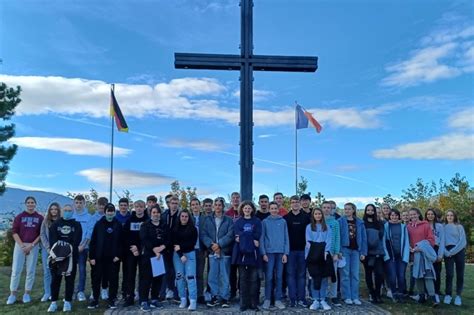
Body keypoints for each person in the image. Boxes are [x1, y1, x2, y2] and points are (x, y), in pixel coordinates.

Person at [7, 196, 44, 305]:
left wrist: (31, 245)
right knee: (16, 270)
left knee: (30, 270)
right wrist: (22, 246)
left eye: (32, 202)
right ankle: (12, 294)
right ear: (25, 204)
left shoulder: (40, 218)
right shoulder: (19, 217)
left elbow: (41, 234)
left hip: (33, 245)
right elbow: (14, 232)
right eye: (28, 202)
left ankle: (27, 294)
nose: (30, 204)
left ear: (35, 204)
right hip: (20, 245)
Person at [47, 204, 82, 313]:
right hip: (57, 257)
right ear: (62, 211)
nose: (67, 212)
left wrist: (67, 250)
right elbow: (53, 240)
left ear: (73, 212)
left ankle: (67, 301)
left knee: (70, 280)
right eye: (65, 210)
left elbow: (76, 241)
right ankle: (53, 302)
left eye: (70, 210)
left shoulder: (76, 225)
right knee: (55, 280)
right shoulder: (55, 224)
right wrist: (60, 252)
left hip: (71, 257)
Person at [200, 197, 234, 308]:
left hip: (224, 252)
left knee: (224, 275)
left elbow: (230, 235)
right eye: (216, 204)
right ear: (213, 206)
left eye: (220, 205)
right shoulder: (207, 219)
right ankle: (214, 296)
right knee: (212, 276)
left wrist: (220, 245)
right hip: (212, 251)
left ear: (223, 206)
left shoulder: (228, 220)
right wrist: (212, 245)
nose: (218, 207)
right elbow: (203, 234)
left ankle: (224, 298)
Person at [88, 203, 122, 309]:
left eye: (112, 211)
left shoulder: (118, 224)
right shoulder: (99, 224)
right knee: (96, 279)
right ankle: (95, 300)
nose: (110, 213)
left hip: (113, 259)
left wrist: (118, 255)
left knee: (113, 280)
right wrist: (92, 257)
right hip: (99, 258)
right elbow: (93, 241)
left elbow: (122, 242)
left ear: (114, 212)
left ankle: (112, 300)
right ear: (105, 212)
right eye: (108, 211)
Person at [232, 201, 262, 311]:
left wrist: (244, 237)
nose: (247, 210)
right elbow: (237, 234)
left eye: (249, 208)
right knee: (243, 279)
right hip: (241, 254)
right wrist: (249, 237)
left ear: (252, 209)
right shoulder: (238, 222)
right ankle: (243, 303)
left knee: (254, 280)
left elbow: (257, 234)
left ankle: (253, 303)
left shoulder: (257, 221)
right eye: (245, 208)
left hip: (254, 254)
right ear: (242, 209)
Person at [138, 205, 169, 311]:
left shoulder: (164, 225)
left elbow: (168, 239)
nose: (156, 214)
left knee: (158, 279)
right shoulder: (145, 225)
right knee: (146, 279)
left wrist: (162, 247)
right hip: (148, 255)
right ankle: (144, 301)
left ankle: (154, 299)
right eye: (154, 212)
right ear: (150, 213)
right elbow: (144, 238)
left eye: (157, 212)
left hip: (160, 255)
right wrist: (154, 249)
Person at [407, 207, 438, 307]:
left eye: (414, 214)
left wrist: (420, 248)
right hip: (414, 254)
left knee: (428, 276)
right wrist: (410, 248)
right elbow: (406, 240)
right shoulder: (408, 227)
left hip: (424, 254)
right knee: (418, 275)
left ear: (418, 214)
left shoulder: (425, 225)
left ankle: (433, 298)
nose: (413, 216)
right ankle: (421, 296)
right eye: (411, 215)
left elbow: (431, 239)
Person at [260, 201, 288, 310]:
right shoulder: (265, 222)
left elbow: (286, 238)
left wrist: (286, 253)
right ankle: (267, 299)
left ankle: (278, 299)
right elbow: (262, 238)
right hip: (269, 253)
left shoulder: (283, 221)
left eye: (275, 208)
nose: (274, 210)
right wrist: (263, 253)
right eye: (271, 208)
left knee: (280, 276)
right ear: (269, 209)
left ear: (278, 209)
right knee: (269, 276)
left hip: (280, 253)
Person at [284, 195, 310, 307]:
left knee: (302, 275)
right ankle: (292, 299)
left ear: (300, 204)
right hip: (290, 251)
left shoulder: (306, 217)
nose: (295, 204)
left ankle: (302, 298)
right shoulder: (285, 218)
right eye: (293, 202)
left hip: (303, 251)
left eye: (297, 202)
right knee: (290, 275)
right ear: (290, 203)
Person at [338, 202, 367, 305]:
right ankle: (347, 296)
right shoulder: (340, 221)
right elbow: (338, 237)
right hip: (345, 250)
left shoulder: (359, 222)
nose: (347, 211)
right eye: (345, 209)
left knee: (355, 274)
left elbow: (363, 238)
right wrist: (339, 251)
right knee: (345, 274)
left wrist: (363, 252)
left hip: (356, 250)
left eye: (349, 209)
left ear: (353, 210)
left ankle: (355, 296)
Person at [122, 200, 149, 306]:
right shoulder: (129, 221)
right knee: (130, 275)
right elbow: (125, 236)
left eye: (141, 206)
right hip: (131, 252)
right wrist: (132, 247)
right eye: (137, 206)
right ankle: (130, 297)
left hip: (143, 252)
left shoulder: (148, 221)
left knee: (144, 275)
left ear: (144, 207)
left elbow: (149, 237)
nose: (139, 208)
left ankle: (143, 298)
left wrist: (140, 248)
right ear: (134, 207)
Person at [306, 208, 333, 311]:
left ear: (322, 215)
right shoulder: (309, 227)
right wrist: (315, 251)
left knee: (324, 278)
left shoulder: (327, 227)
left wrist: (326, 251)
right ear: (313, 215)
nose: (318, 215)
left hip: (324, 255)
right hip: (313, 255)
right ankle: (315, 300)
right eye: (316, 214)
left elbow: (328, 240)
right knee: (314, 278)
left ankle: (322, 299)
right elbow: (308, 242)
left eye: (319, 214)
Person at [171, 210, 199, 310]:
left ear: (189, 218)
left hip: (190, 254)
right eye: (182, 216)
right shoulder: (175, 229)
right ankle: (183, 298)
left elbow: (192, 243)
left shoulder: (193, 229)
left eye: (186, 216)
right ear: (179, 217)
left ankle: (192, 300)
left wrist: (181, 247)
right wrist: (180, 254)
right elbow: (174, 243)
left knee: (190, 277)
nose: (184, 218)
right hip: (177, 256)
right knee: (179, 277)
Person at [383, 209, 410, 303]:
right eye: (392, 215)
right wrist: (386, 255)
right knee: (392, 275)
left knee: (401, 276)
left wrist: (406, 256)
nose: (394, 217)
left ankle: (401, 294)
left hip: (401, 256)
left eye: (396, 215)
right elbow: (383, 241)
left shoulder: (403, 227)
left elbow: (406, 242)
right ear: (389, 216)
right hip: (391, 256)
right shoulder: (386, 226)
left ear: (399, 216)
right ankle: (394, 293)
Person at [443, 210, 467, 306]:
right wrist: (446, 252)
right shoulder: (443, 227)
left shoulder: (459, 226)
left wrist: (452, 252)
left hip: (459, 251)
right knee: (449, 274)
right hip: (447, 251)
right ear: (446, 217)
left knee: (460, 274)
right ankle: (448, 295)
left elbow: (463, 241)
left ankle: (458, 296)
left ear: (454, 216)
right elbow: (441, 241)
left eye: (451, 215)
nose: (449, 217)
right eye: (448, 215)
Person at [362, 204, 385, 304]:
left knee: (379, 273)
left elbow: (382, 236)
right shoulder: (362, 223)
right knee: (368, 273)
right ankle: (371, 293)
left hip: (378, 252)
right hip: (367, 252)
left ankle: (377, 294)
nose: (370, 212)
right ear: (366, 211)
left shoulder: (379, 223)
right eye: (368, 210)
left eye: (372, 210)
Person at [72, 195, 93, 302]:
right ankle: (70, 291)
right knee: (70, 271)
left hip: (83, 248)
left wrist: (83, 245)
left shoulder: (89, 217)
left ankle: (80, 291)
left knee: (82, 270)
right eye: (76, 202)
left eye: (80, 203)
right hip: (71, 249)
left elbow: (89, 233)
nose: (78, 205)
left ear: (84, 203)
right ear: (74, 203)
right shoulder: (71, 216)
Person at [321, 201, 341, 306]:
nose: (326, 209)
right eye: (324, 207)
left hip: (332, 253)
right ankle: (322, 295)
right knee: (322, 275)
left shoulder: (335, 223)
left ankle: (333, 296)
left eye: (328, 207)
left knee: (333, 275)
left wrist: (336, 253)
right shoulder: (318, 222)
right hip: (321, 253)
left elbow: (337, 238)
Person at [40, 202, 61, 302]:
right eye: (52, 209)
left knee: (57, 273)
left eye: (55, 209)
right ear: (49, 210)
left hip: (58, 250)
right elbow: (42, 234)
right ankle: (47, 292)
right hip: (47, 250)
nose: (53, 211)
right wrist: (48, 248)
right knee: (47, 271)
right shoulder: (45, 221)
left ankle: (54, 293)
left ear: (58, 210)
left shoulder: (61, 221)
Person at [161, 195, 180, 301]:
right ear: (169, 204)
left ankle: (176, 293)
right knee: (164, 270)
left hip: (176, 247)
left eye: (176, 203)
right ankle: (163, 293)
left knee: (176, 270)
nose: (174, 205)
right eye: (172, 203)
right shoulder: (164, 215)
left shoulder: (181, 215)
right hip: (164, 247)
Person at [91, 196, 109, 300]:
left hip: (106, 250)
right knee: (95, 272)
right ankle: (95, 291)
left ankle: (104, 289)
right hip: (96, 250)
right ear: (97, 206)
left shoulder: (110, 218)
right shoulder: (92, 218)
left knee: (105, 271)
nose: (101, 209)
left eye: (103, 207)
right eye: (100, 206)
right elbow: (90, 234)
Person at [425, 208, 444, 303]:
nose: (430, 216)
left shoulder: (439, 226)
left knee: (437, 273)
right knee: (427, 272)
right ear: (426, 215)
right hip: (427, 250)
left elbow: (442, 240)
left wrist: (440, 255)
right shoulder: (424, 225)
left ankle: (436, 293)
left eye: (432, 214)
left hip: (436, 249)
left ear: (434, 215)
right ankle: (427, 293)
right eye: (428, 214)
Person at [190, 198, 207, 304]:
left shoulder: (204, 218)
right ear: (190, 206)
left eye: (197, 204)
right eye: (193, 204)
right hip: (190, 250)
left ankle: (200, 294)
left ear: (200, 206)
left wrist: (206, 249)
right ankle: (191, 294)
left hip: (201, 249)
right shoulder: (187, 217)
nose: (195, 206)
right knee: (191, 273)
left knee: (200, 273)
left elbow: (207, 234)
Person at [226, 192, 241, 300]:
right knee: (232, 271)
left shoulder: (243, 211)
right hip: (230, 246)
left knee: (241, 270)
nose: (235, 199)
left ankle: (241, 290)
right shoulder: (227, 213)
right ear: (231, 200)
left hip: (241, 246)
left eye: (237, 198)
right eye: (234, 198)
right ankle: (232, 291)